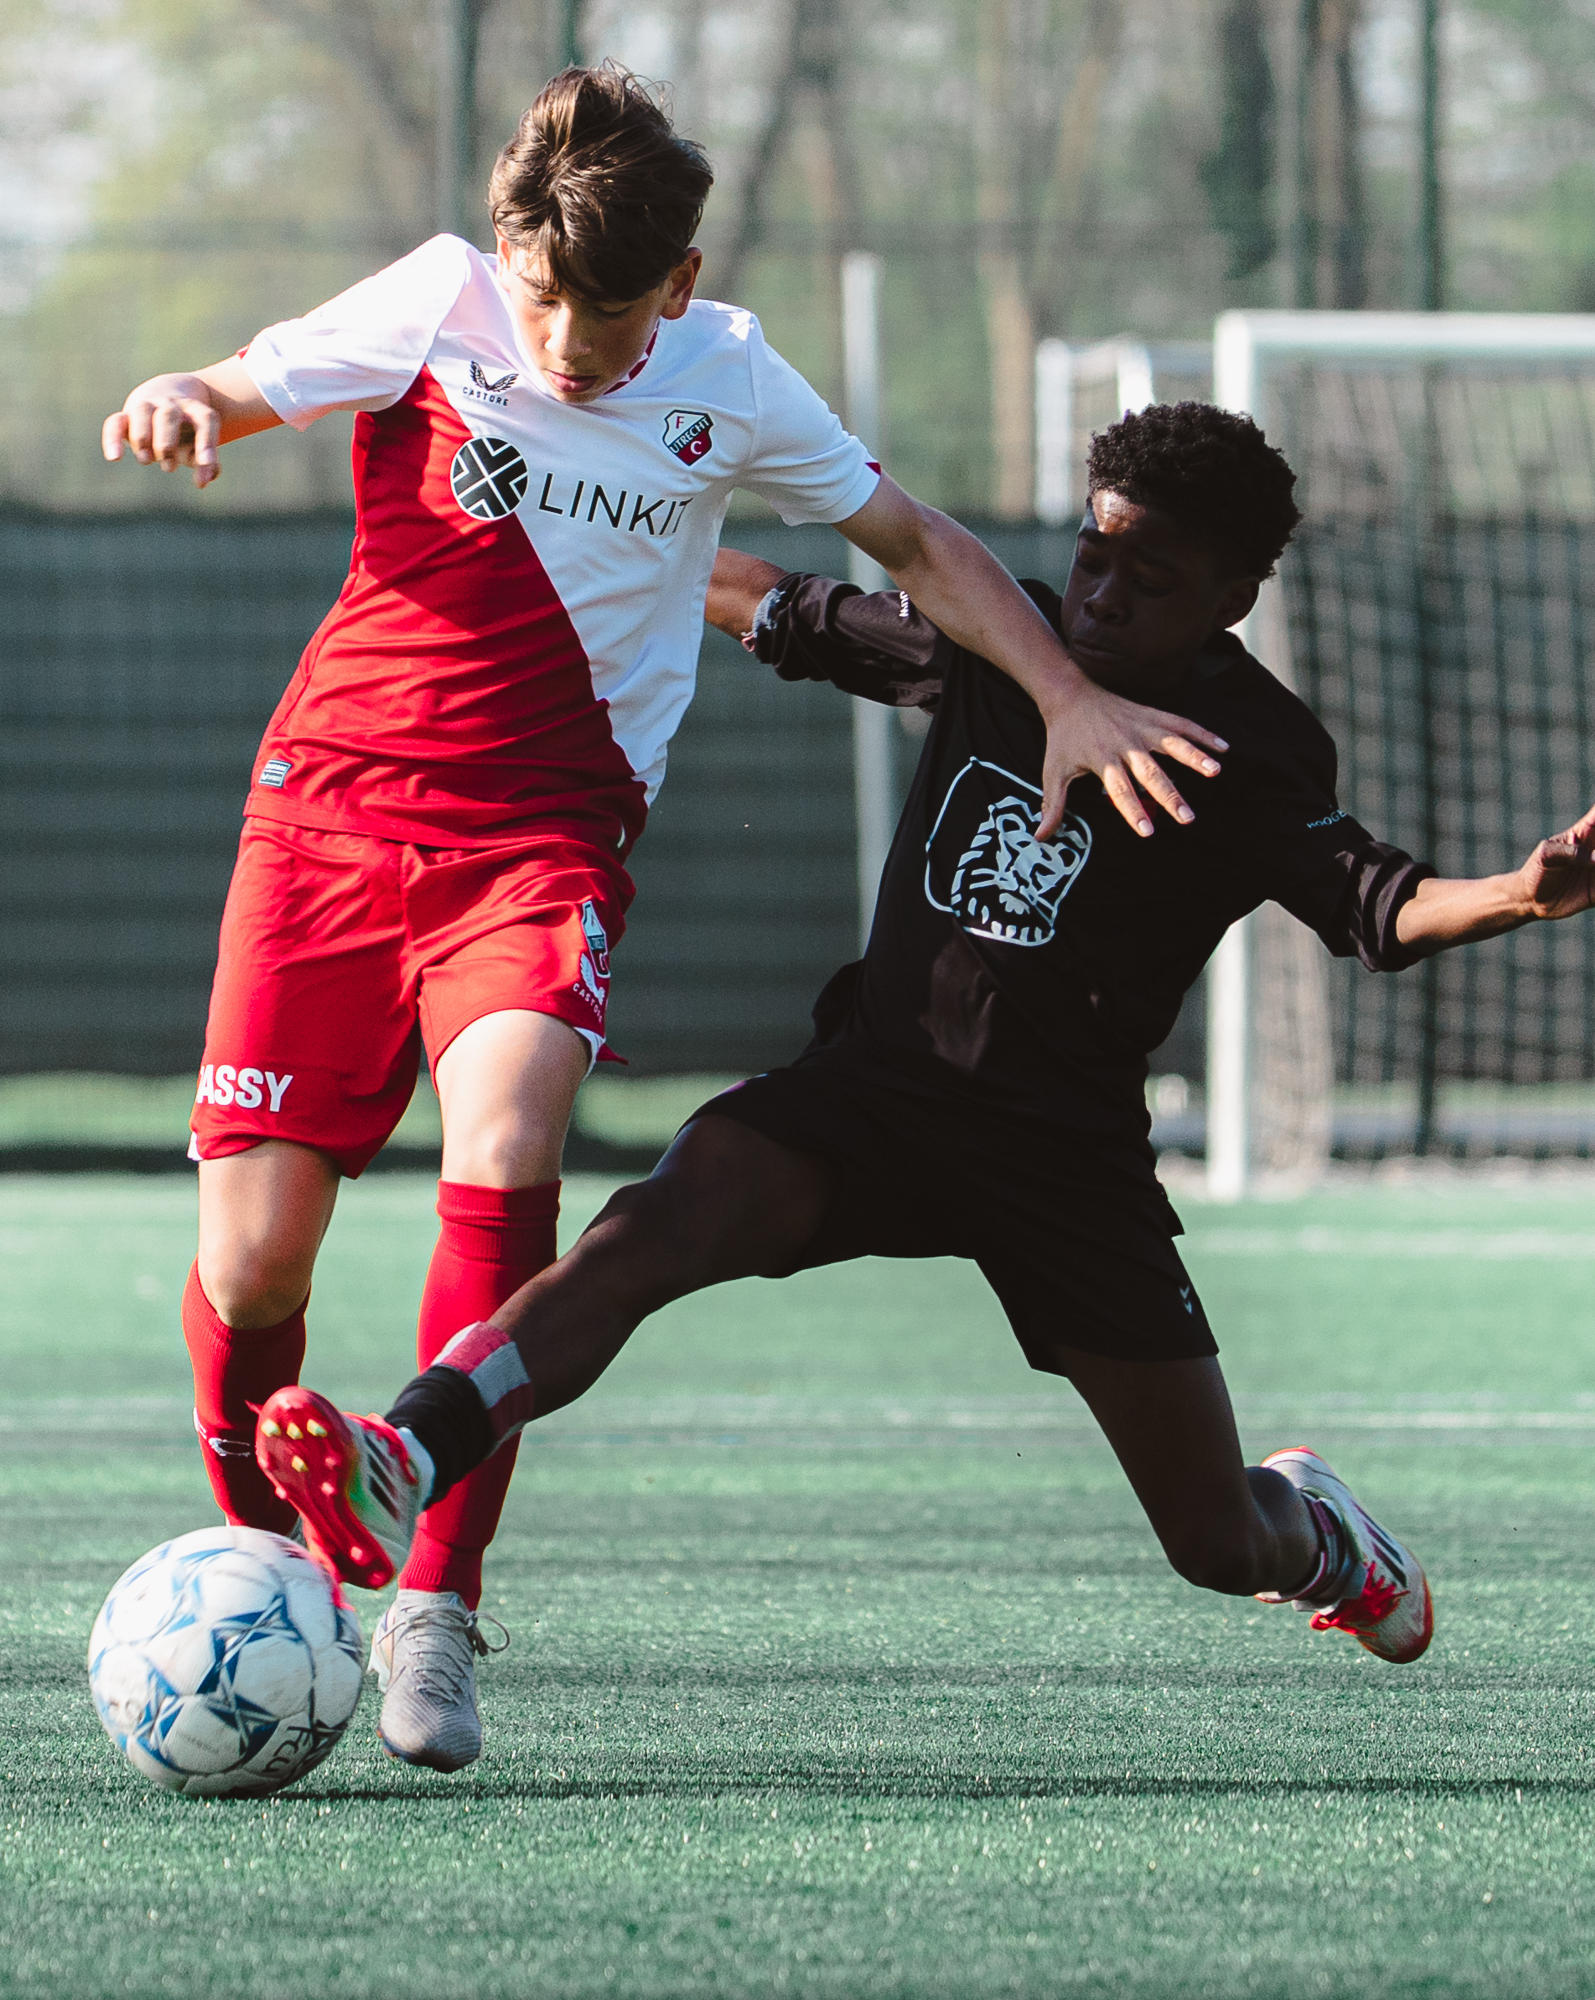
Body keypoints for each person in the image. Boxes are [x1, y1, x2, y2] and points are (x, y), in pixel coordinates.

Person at [97, 67, 1225, 1772]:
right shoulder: (435, 302)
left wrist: (1063, 693)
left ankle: (434, 1611)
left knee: (516, 1122)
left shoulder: (730, 378)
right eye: (544, 301)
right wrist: (181, 394)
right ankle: (274, 1567)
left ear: (678, 290)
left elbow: (917, 542)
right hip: (325, 818)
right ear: (505, 256)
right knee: (252, 1260)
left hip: (540, 846)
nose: (564, 344)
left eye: (609, 315)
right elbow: (245, 383)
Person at [247, 401, 1595, 1695]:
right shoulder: (1008, 643)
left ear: (1237, 598)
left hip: (1063, 1165)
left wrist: (1517, 894)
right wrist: (585, 523)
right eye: (1095, 559)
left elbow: (1380, 907)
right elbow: (762, 599)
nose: (1103, 597)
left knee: (1213, 1542)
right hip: (872, 1098)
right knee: (656, 1226)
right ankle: (408, 1449)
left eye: (1149, 581)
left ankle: (1323, 1540)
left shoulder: (1256, 748)